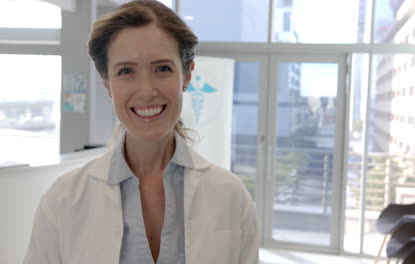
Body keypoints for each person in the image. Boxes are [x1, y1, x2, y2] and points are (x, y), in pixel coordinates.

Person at [23, 1, 259, 263]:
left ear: (187, 75)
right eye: (126, 71)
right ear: (108, 84)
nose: (146, 91)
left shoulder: (230, 194)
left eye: (162, 68)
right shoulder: (62, 200)